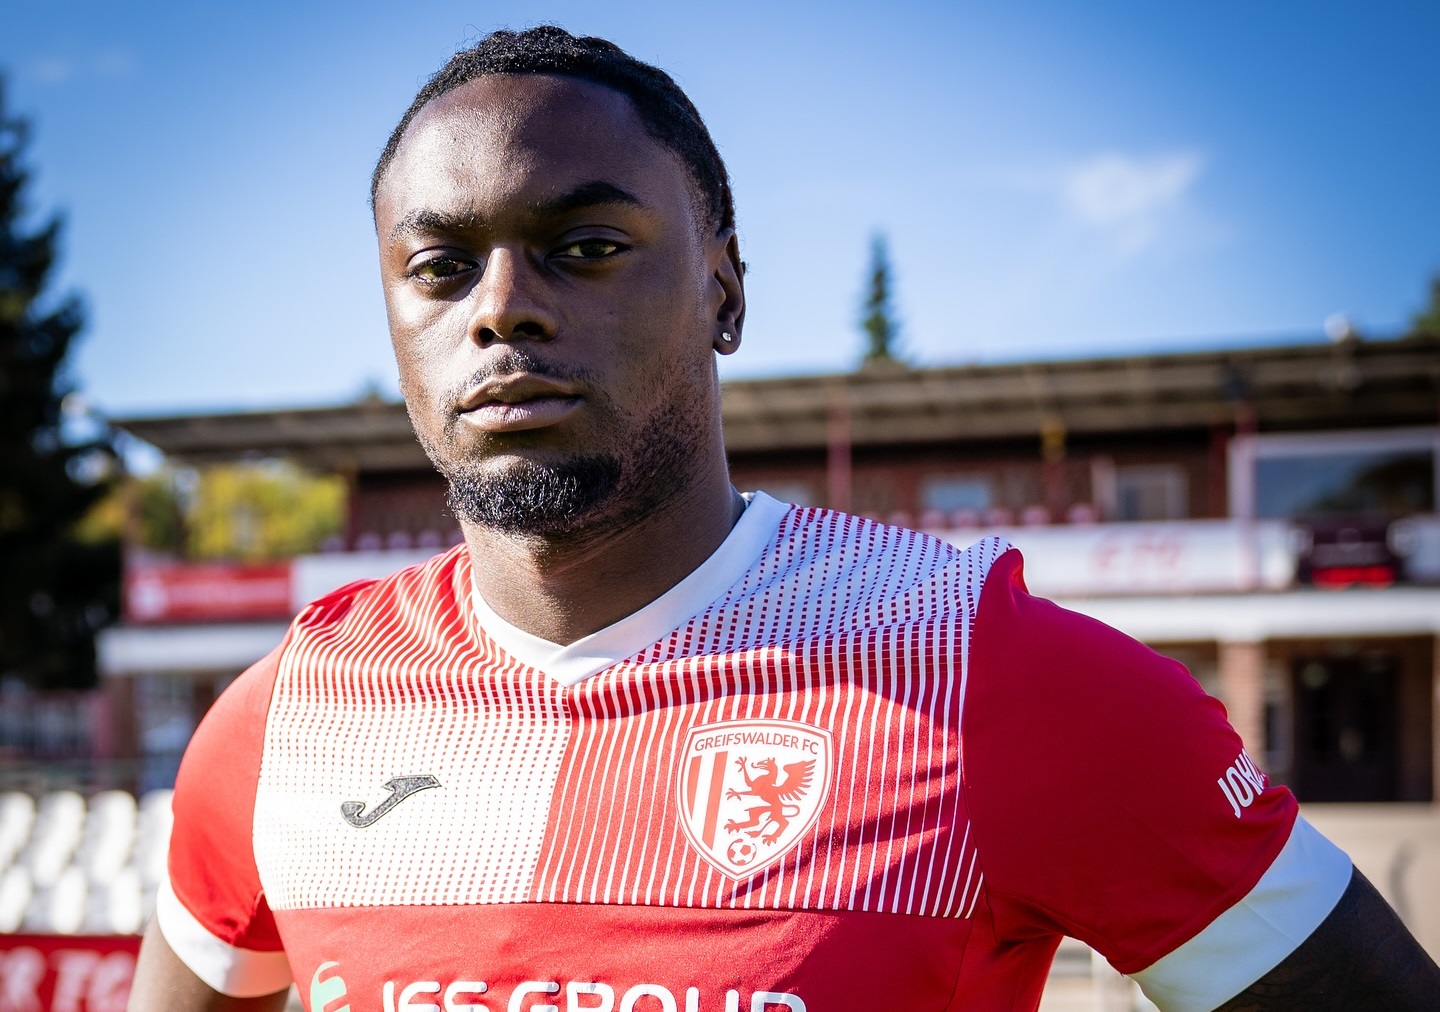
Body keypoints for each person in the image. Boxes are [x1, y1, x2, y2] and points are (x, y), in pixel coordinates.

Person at [129, 26, 1440, 1012]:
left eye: (588, 247)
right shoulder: (283, 721)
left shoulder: (992, 678)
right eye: (440, 266)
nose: (501, 306)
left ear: (726, 294)